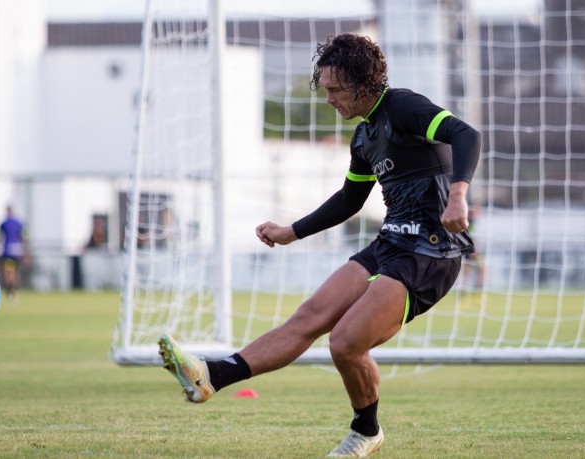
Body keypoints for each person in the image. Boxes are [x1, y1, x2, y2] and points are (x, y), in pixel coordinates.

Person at [158, 33, 481, 457]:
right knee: (309, 316)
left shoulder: (402, 106)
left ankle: (366, 432)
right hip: (391, 242)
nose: (328, 99)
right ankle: (211, 376)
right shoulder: (364, 137)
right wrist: (290, 231)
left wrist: (458, 194)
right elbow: (349, 199)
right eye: (325, 88)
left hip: (431, 251)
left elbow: (466, 134)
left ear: (363, 83)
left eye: (335, 89)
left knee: (345, 343)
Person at [0, 206, 27, 301]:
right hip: (17, 250)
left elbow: (0, 238)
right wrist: (24, 250)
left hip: (8, 251)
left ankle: (11, 292)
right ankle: (14, 291)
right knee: (14, 272)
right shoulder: (19, 223)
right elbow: (23, 237)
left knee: (8, 273)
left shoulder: (4, 223)